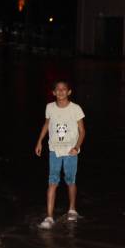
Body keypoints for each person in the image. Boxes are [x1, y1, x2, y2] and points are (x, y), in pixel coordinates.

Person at [34, 80, 86, 230]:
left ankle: (72, 209)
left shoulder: (75, 109)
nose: (61, 91)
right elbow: (46, 124)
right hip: (54, 150)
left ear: (69, 92)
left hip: (71, 150)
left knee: (70, 180)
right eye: (58, 89)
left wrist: (77, 147)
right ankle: (49, 217)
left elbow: (82, 131)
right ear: (54, 92)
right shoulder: (49, 107)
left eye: (64, 89)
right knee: (53, 182)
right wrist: (39, 142)